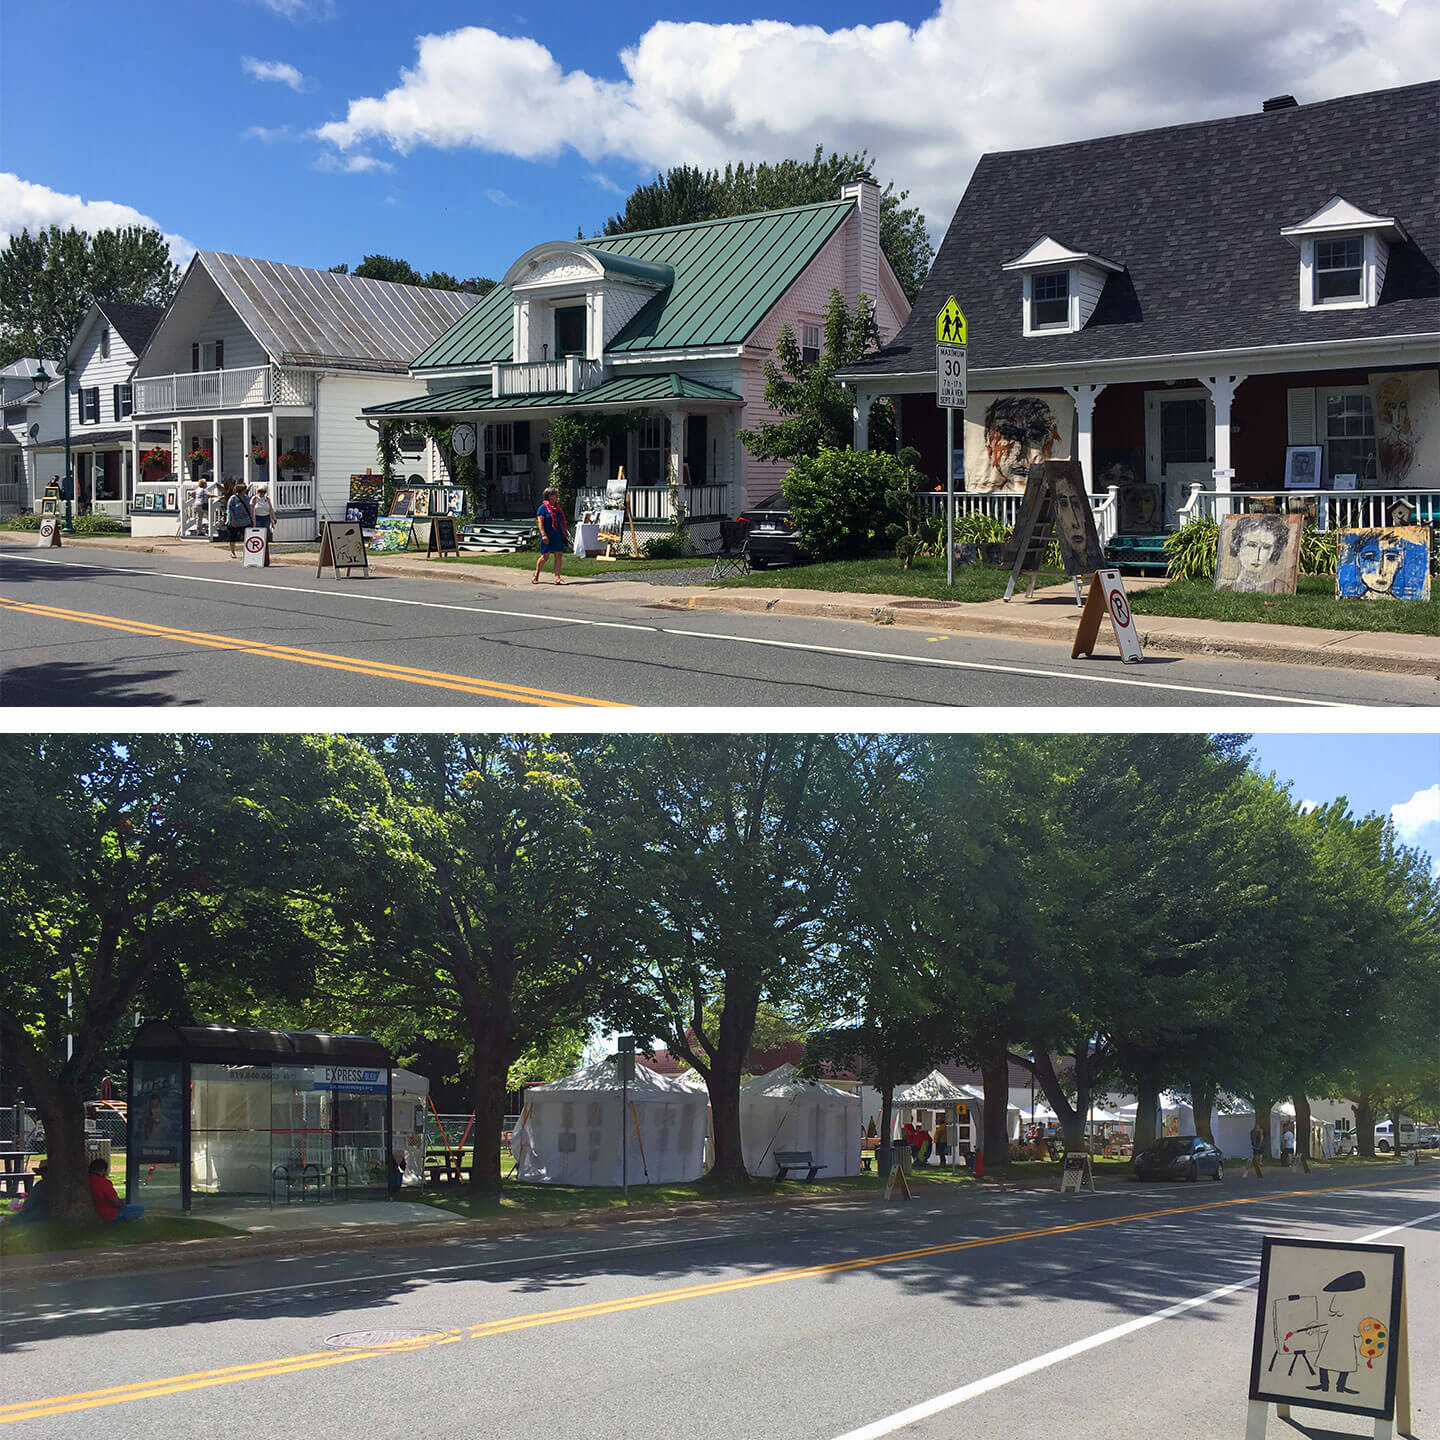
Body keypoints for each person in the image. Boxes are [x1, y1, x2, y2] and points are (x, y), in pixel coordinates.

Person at [88, 1157, 144, 1222]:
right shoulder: (104, 1182)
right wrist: (123, 1201)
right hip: (110, 1214)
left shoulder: (87, 1180)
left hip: (97, 1211)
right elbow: (116, 1203)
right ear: (103, 1170)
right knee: (140, 1208)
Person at [532, 486, 568, 584]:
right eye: (555, 495)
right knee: (545, 556)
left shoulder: (557, 508)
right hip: (547, 535)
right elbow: (540, 522)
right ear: (549, 496)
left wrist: (564, 531)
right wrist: (543, 535)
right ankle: (536, 574)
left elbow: (561, 521)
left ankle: (557, 578)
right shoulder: (542, 508)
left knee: (558, 555)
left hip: (557, 534)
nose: (557, 497)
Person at [249, 483, 274, 565]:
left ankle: (265, 556)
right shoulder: (254, 498)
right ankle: (257, 555)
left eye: (263, 491)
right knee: (258, 535)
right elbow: (252, 509)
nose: (261, 493)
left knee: (265, 536)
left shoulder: (267, 499)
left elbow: (270, 509)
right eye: (260, 491)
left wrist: (273, 519)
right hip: (258, 518)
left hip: (266, 518)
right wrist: (253, 521)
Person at [225, 483, 250, 558]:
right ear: (240, 490)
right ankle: (233, 552)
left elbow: (249, 508)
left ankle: (247, 552)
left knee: (246, 537)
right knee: (233, 537)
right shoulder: (233, 498)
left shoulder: (246, 498)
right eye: (244, 489)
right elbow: (230, 509)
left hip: (245, 521)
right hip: (234, 521)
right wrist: (232, 520)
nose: (245, 491)